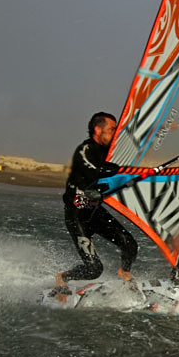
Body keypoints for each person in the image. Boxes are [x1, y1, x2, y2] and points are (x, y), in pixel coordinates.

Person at [54, 112, 152, 290]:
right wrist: (120, 174)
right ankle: (63, 278)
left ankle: (125, 273)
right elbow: (97, 174)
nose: (115, 133)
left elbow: (131, 149)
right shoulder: (85, 151)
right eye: (112, 129)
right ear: (98, 130)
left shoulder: (111, 152)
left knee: (130, 244)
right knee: (94, 269)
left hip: (94, 212)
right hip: (77, 214)